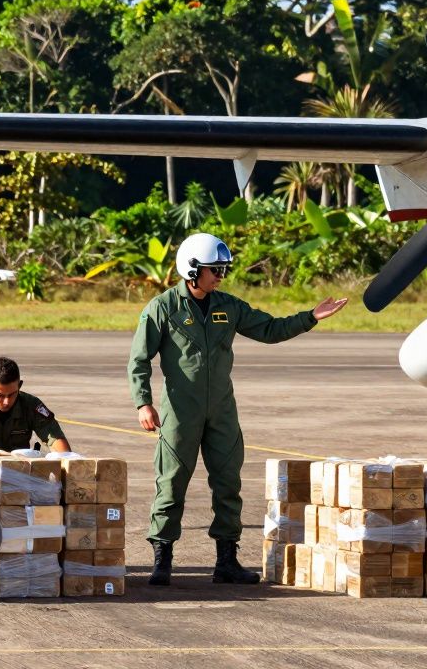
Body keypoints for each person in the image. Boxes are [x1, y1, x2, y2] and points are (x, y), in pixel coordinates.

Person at [128, 232, 348, 586]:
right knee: (171, 484)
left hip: (222, 412)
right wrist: (143, 402)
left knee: (228, 483)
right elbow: (139, 360)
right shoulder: (163, 308)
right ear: (192, 270)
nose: (220, 276)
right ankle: (162, 558)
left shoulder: (228, 306)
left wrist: (311, 317)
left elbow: (270, 329)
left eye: (223, 270)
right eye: (215, 270)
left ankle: (226, 561)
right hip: (179, 413)